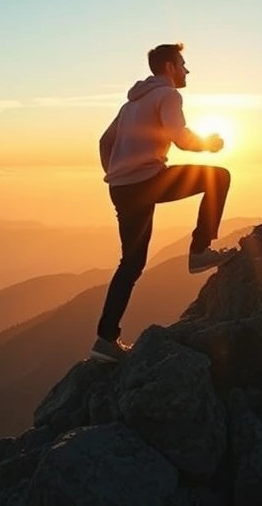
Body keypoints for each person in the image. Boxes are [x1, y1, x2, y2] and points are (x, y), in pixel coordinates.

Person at [91, 43, 237, 363]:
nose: (187, 70)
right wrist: (209, 144)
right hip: (148, 181)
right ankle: (200, 250)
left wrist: (116, 172)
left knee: (130, 264)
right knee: (219, 177)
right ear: (169, 67)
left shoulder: (130, 104)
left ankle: (105, 339)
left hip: (122, 188)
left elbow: (105, 141)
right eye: (183, 64)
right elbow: (180, 137)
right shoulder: (169, 95)